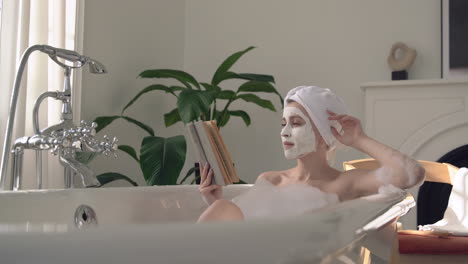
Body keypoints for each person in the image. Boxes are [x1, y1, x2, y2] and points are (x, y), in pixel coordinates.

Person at [197, 86, 425, 222]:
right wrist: (213, 199)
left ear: (326, 133)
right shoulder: (269, 179)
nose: (284, 132)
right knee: (220, 208)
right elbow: (245, 230)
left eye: (296, 123)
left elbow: (410, 174)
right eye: (283, 123)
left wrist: (359, 139)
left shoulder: (345, 183)